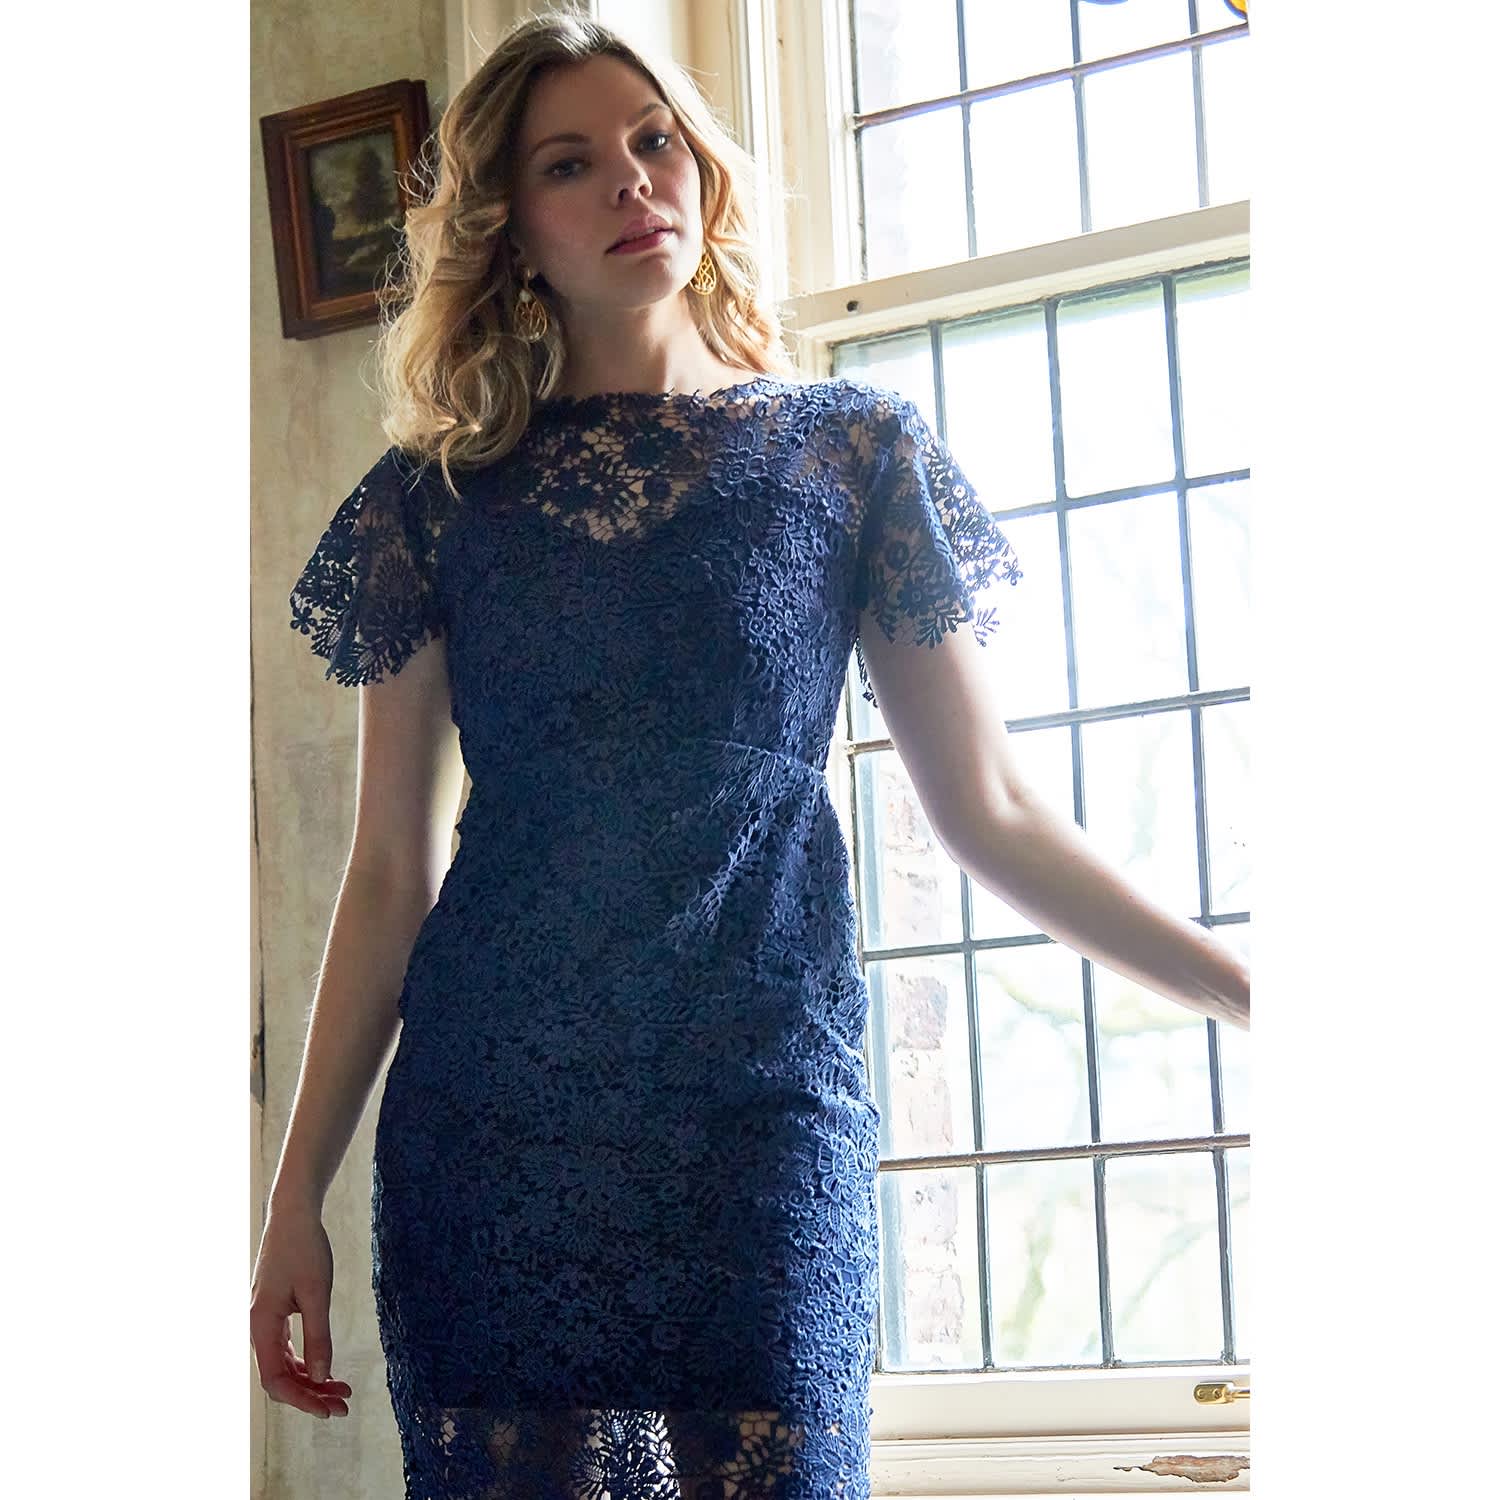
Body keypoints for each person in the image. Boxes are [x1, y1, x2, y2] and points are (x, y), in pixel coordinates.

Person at [251, 11, 1251, 1499]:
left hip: (762, 1111)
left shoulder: (852, 454)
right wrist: (292, 1200)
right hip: (496, 1120)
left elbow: (992, 811)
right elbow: (390, 871)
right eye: (570, 164)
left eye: (655, 142)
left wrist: (1252, 994)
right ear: (509, 225)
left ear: (701, 169)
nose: (631, 181)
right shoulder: (433, 502)